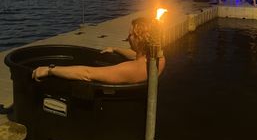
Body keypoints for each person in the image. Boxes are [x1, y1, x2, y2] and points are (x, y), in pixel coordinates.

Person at [32, 17, 165, 84]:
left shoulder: (131, 69)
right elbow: (136, 55)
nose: (127, 38)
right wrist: (115, 49)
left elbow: (87, 73)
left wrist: (50, 70)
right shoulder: (159, 60)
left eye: (130, 35)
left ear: (139, 39)